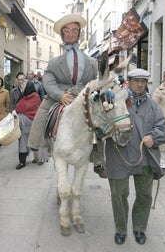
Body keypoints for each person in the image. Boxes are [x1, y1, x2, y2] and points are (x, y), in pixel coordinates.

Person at [27, 14, 106, 177]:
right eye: (67, 31)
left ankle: (99, 159)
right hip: (62, 95)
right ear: (62, 34)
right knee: (43, 111)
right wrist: (60, 95)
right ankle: (38, 143)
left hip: (84, 95)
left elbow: (95, 81)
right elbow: (48, 82)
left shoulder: (91, 61)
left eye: (74, 30)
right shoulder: (54, 62)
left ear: (79, 34)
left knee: (101, 116)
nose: (70, 33)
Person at [104, 68, 165, 246]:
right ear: (129, 81)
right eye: (135, 81)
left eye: (143, 81)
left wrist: (153, 137)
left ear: (147, 83)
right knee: (118, 194)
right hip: (119, 155)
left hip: (145, 157)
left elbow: (164, 130)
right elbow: (100, 123)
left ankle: (139, 228)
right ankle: (121, 229)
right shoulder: (116, 100)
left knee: (145, 196)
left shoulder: (153, 105)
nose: (139, 85)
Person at [14, 81, 41, 169]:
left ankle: (37, 158)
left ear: (28, 87)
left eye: (24, 85)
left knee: (32, 142)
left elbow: (20, 108)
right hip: (24, 125)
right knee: (24, 142)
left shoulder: (34, 97)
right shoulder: (24, 97)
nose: (22, 86)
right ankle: (23, 161)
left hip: (32, 123)